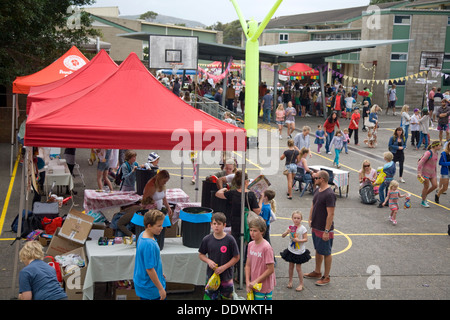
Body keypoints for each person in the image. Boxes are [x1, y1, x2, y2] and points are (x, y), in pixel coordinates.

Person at [215, 170, 260, 253]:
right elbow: (257, 211)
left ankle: (236, 262)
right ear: (246, 182)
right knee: (249, 242)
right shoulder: (250, 195)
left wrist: (224, 188)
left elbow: (218, 194)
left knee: (236, 242)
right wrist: (260, 199)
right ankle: (246, 261)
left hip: (235, 221)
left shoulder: (232, 193)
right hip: (247, 221)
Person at [304, 170, 336, 286]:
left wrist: (327, 231)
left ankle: (326, 277)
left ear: (322, 179)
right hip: (316, 226)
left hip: (324, 229)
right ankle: (317, 272)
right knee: (318, 250)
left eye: (316, 178)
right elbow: (313, 204)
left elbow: (331, 214)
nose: (314, 179)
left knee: (326, 252)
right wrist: (310, 218)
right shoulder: (318, 190)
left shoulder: (329, 194)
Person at [198, 212, 240, 300]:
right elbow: (201, 254)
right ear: (211, 224)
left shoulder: (230, 240)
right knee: (209, 298)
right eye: (214, 224)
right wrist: (208, 261)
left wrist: (224, 267)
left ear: (224, 225)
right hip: (211, 276)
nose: (216, 226)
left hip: (226, 277)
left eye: (219, 224)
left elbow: (236, 257)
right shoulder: (207, 239)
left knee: (227, 298)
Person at [133, 209, 166, 300]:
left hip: (144, 284)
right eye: (159, 226)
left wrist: (159, 272)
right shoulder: (149, 244)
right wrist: (161, 289)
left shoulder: (142, 234)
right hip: (151, 289)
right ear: (149, 226)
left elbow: (147, 262)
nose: (162, 228)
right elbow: (150, 269)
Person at [280, 210, 311, 292]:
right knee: (291, 266)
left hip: (299, 251)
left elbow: (306, 239)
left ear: (301, 219)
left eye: (298, 218)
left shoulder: (303, 228)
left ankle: (301, 283)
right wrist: (286, 232)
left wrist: (298, 240)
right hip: (291, 250)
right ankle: (290, 281)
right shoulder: (291, 227)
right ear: (292, 218)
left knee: (298, 268)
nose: (296, 220)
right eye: (295, 218)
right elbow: (282, 236)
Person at [245, 218, 276, 300]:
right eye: (251, 230)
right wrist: (248, 282)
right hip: (253, 285)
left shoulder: (266, 247)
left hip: (263, 287)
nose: (252, 233)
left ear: (262, 231)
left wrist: (256, 281)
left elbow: (270, 269)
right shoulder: (250, 245)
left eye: (255, 231)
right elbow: (248, 265)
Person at [417, 140, 441, 208]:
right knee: (426, 187)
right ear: (435, 146)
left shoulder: (436, 153)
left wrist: (435, 172)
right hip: (425, 173)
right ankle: (423, 201)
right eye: (439, 145)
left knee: (435, 185)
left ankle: (424, 194)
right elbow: (420, 163)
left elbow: (434, 164)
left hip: (432, 173)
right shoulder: (428, 153)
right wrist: (419, 173)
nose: (440, 147)